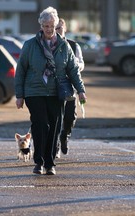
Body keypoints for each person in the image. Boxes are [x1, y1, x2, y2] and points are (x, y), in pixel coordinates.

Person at [15, 7, 87, 175]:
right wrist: (19, 95)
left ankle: (50, 163)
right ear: (41, 25)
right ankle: (38, 162)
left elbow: (73, 69)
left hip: (57, 91)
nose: (49, 29)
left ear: (56, 25)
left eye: (52, 26)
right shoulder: (30, 45)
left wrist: (80, 90)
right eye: (46, 26)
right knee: (40, 125)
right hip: (35, 91)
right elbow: (21, 70)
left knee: (54, 126)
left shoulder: (64, 46)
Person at [55, 18, 85, 157]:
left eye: (60, 27)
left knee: (70, 117)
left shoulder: (73, 45)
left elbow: (81, 64)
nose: (57, 30)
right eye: (55, 28)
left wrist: (74, 65)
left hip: (70, 87)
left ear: (65, 29)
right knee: (55, 117)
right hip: (53, 87)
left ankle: (64, 135)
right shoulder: (49, 44)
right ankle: (54, 146)